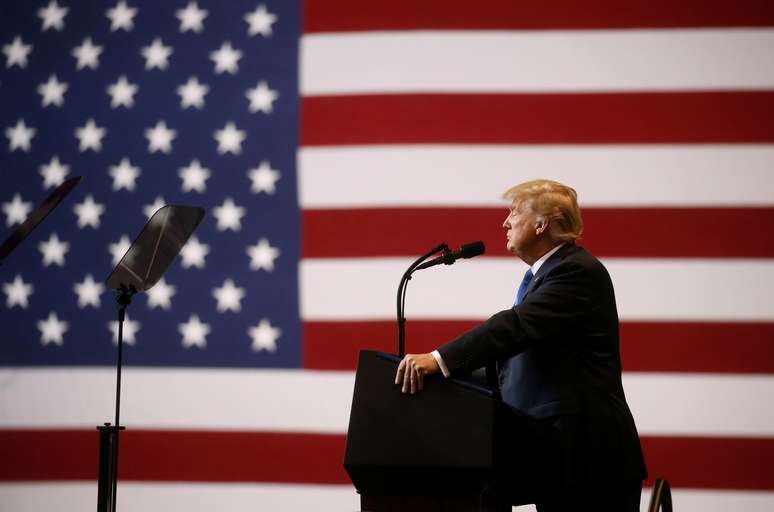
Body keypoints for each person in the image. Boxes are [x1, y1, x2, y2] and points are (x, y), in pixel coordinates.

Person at [394, 179, 647, 511]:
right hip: (560, 462)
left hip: (591, 462)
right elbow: (514, 362)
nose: (505, 221)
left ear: (542, 223)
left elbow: (514, 327)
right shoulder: (545, 278)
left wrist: (439, 360)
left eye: (514, 211)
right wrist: (447, 381)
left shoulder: (576, 272)